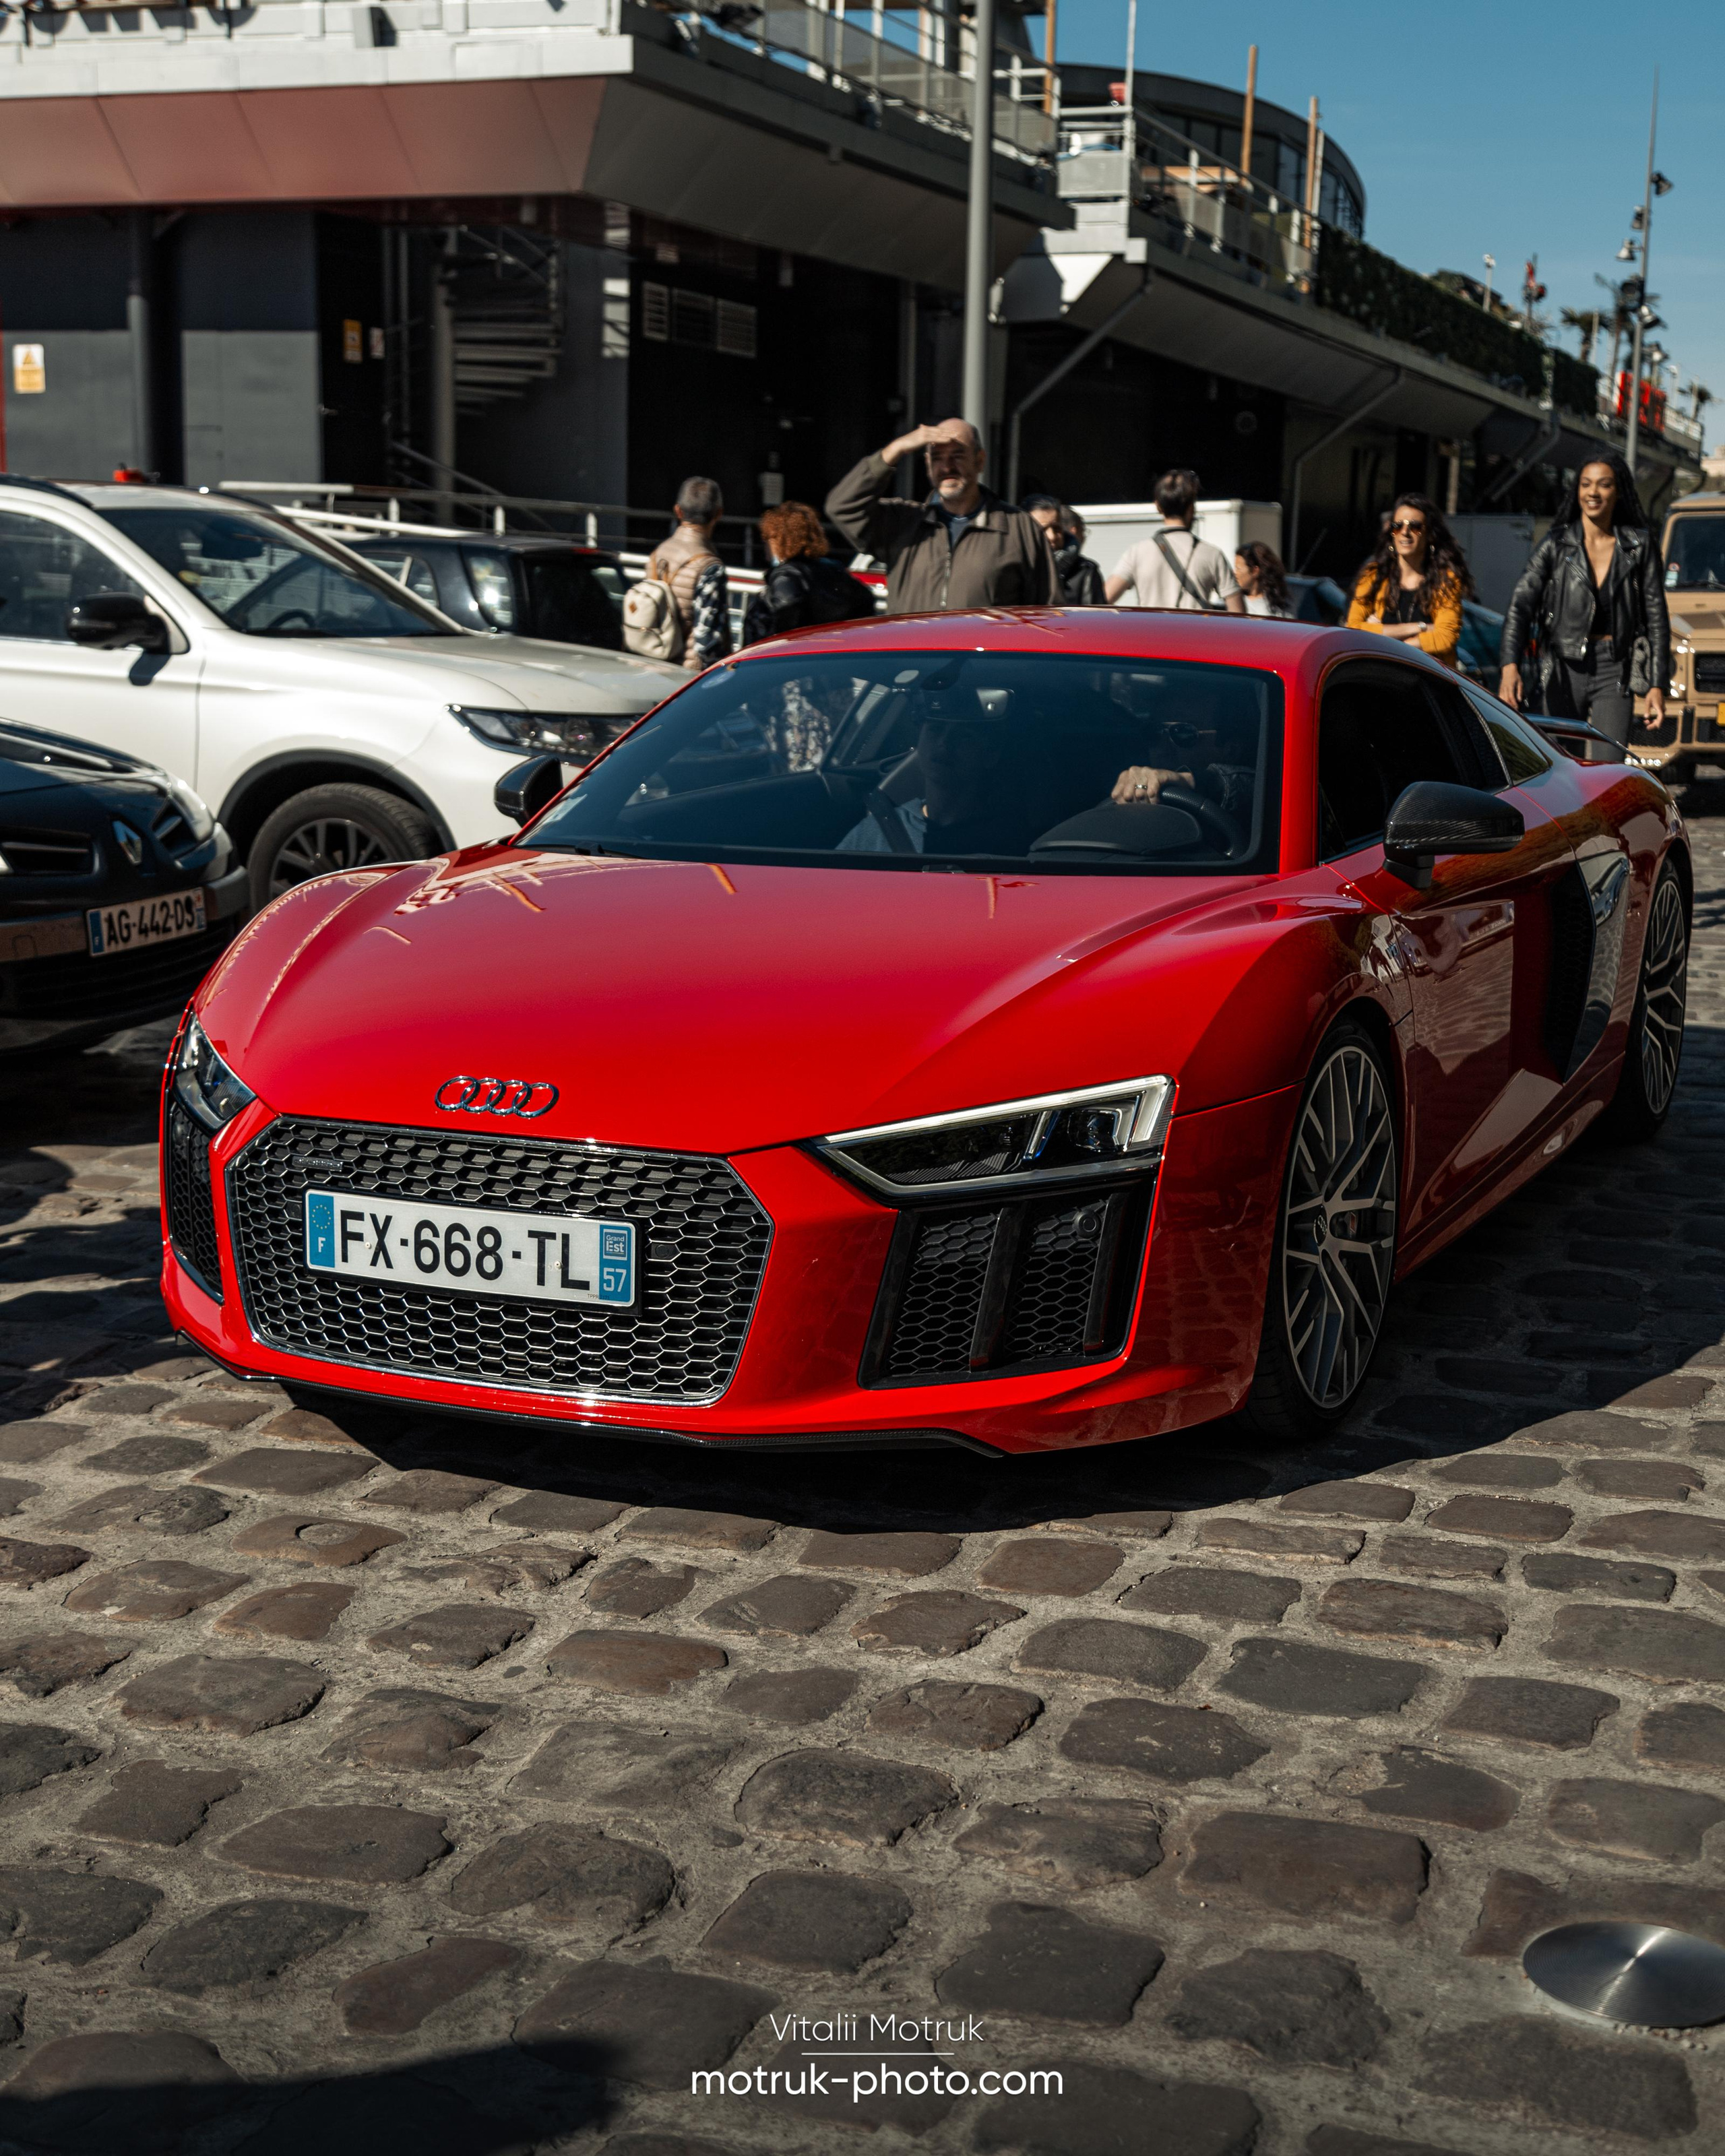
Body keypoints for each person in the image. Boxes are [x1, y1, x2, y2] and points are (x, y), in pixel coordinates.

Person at [1499, 452, 1668, 763]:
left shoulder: (1639, 546)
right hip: (1564, 669)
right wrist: (1510, 666)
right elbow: (1520, 606)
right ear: (1577, 491)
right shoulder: (1555, 545)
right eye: (1586, 484)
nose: (1593, 493)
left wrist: (1657, 684)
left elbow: (1658, 619)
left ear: (1617, 493)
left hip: (1614, 669)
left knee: (1609, 769)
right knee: (1562, 769)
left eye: (1604, 485)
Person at [825, 420, 1057, 614]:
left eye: (957, 456)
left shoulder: (1017, 527)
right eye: (937, 458)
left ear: (980, 461)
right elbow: (842, 506)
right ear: (927, 465)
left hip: (985, 666)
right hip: (913, 667)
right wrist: (896, 450)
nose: (947, 467)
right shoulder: (903, 522)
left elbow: (1049, 610)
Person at [1346, 494, 1470, 666]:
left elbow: (1445, 638)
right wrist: (1421, 627)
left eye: (1415, 527)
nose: (1405, 532)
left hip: (1430, 681)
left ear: (1430, 535)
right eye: (1398, 526)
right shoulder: (1374, 576)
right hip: (1381, 678)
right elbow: (1352, 630)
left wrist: (1382, 640)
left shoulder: (1445, 580)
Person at [1104, 470, 1245, 613]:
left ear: (1158, 507)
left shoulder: (1136, 553)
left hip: (1150, 634)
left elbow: (1104, 599)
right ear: (1192, 507)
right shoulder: (1212, 554)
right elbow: (1239, 613)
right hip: (1196, 635)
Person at [741, 501, 876, 645]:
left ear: (778, 539)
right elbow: (866, 599)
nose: (766, 546)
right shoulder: (834, 569)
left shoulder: (787, 574)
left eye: (768, 539)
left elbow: (787, 607)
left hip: (788, 656)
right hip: (830, 651)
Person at [647, 476, 731, 671]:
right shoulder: (709, 566)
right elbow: (709, 640)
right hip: (689, 676)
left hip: (653, 666)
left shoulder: (657, 555)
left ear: (678, 511)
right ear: (719, 514)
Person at [1025, 496, 1107, 605]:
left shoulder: (1085, 571)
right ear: (1025, 531)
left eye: (1057, 528)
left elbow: (1095, 619)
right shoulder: (1015, 569)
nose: (1052, 537)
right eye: (1042, 530)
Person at [1235, 540, 1294, 618]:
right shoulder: (1234, 600)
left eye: (1238, 568)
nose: (1234, 573)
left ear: (1255, 571)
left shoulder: (1278, 607)